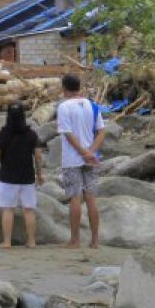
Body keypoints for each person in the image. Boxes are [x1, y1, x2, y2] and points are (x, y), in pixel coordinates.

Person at [57, 74, 105, 249]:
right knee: (91, 198)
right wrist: (91, 152)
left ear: (64, 88)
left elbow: (68, 134)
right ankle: (95, 240)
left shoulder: (64, 107)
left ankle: (75, 240)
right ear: (79, 87)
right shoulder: (92, 105)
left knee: (75, 198)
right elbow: (101, 132)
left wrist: (84, 153)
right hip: (91, 158)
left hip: (72, 159)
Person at [0, 103, 45, 249]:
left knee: (8, 209)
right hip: (27, 177)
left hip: (7, 177)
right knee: (29, 209)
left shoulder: (2, 134)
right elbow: (38, 157)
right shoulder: (32, 134)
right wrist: (39, 174)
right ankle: (32, 241)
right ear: (23, 116)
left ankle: (7, 242)